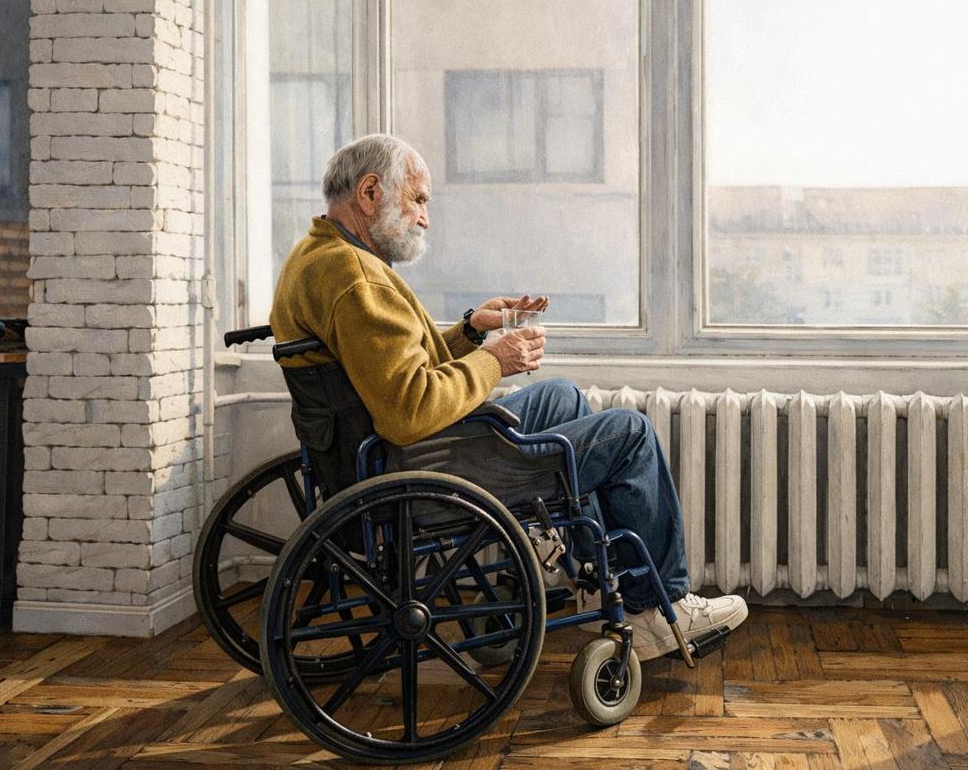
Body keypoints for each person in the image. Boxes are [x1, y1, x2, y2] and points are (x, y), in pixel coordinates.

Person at [270, 133, 747, 660]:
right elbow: (407, 410)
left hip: (379, 453)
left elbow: (389, 368)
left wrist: (472, 329)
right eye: (419, 199)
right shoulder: (358, 279)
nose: (425, 218)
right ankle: (659, 608)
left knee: (560, 398)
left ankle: (591, 573)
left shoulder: (318, 255)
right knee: (628, 434)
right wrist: (497, 359)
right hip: (419, 463)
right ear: (368, 192)